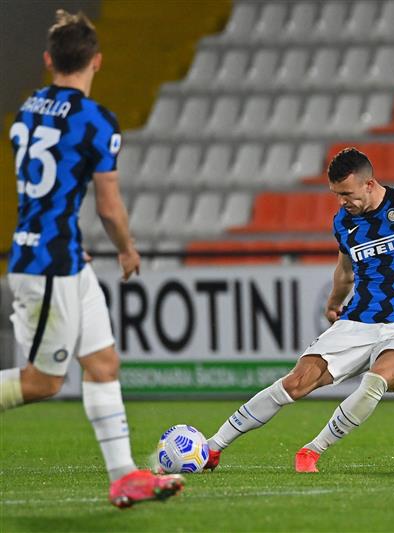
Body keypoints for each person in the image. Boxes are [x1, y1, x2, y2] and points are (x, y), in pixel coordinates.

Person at [0, 10, 184, 507]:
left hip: (63, 258)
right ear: (97, 61)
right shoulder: (95, 120)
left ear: (47, 60)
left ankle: (124, 477)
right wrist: (127, 248)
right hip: (49, 264)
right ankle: (123, 476)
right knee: (43, 382)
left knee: (103, 363)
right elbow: (107, 204)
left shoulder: (26, 111)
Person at [204, 148, 394, 473]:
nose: (342, 202)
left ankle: (311, 451)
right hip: (358, 320)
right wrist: (334, 303)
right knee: (296, 382)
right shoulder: (345, 222)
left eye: (346, 194)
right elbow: (345, 272)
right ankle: (212, 447)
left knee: (377, 379)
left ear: (369, 184)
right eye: (336, 195)